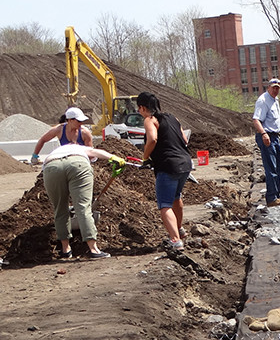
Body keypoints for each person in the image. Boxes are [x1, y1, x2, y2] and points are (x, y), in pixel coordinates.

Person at [42, 142, 125, 259]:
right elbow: (94, 152)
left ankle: (65, 250)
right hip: (78, 164)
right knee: (83, 208)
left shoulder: (57, 151)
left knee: (60, 208)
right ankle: (94, 249)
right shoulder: (80, 149)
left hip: (51, 167)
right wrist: (113, 157)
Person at [138, 91, 191, 250]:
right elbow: (185, 139)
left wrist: (146, 157)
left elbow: (152, 139)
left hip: (168, 165)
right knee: (176, 197)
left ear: (142, 108)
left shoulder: (150, 120)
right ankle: (179, 230)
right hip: (185, 163)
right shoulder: (172, 117)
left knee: (164, 205)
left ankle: (175, 241)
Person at [253, 78, 280, 207]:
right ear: (268, 87)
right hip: (267, 136)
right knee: (271, 167)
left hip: (275, 136)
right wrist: (264, 134)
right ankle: (271, 198)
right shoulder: (263, 101)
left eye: (278, 88)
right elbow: (256, 120)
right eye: (273, 87)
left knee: (279, 166)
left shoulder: (275, 100)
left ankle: (277, 195)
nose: (275, 90)